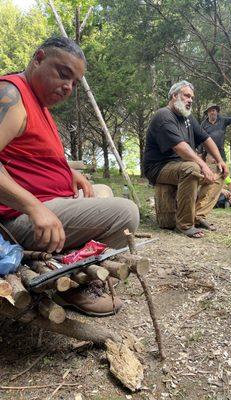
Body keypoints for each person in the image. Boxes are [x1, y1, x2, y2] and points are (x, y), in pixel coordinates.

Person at [0, 37, 139, 316]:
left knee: (102, 192)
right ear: (38, 58)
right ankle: (74, 286)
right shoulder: (11, 94)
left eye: (74, 83)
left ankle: (74, 269)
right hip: (17, 219)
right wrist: (33, 206)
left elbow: (29, 157)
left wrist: (68, 171)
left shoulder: (40, 106)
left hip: (47, 202)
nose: (68, 87)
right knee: (127, 213)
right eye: (63, 74)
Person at [144, 80, 228, 238]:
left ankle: (198, 216)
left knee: (220, 171)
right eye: (186, 96)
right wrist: (203, 165)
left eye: (192, 98)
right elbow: (180, 147)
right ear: (174, 96)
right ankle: (185, 224)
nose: (190, 100)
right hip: (159, 168)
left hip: (180, 165)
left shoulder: (188, 118)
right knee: (192, 168)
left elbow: (206, 139)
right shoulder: (163, 115)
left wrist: (220, 160)